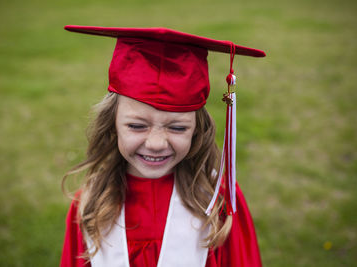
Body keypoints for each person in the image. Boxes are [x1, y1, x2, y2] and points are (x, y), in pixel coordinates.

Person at [60, 26, 266, 267]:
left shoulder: (216, 198)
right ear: (112, 124)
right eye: (137, 126)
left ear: (197, 130)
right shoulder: (91, 202)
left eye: (177, 128)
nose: (156, 144)